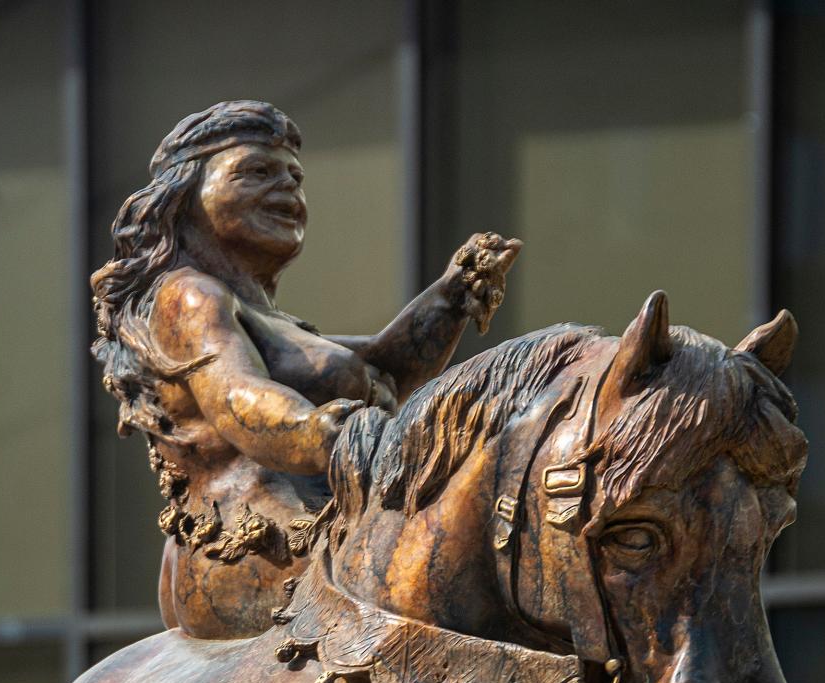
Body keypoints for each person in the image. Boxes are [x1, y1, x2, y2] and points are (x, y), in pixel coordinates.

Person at [92, 99, 521, 638]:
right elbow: (240, 401)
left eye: (294, 178)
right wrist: (331, 435)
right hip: (254, 547)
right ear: (187, 196)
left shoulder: (263, 317)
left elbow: (380, 371)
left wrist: (453, 296)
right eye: (257, 172)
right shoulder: (189, 297)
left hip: (315, 528)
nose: (287, 190)